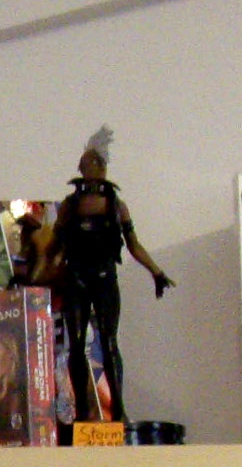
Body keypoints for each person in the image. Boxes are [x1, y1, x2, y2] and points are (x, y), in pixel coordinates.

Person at [45, 128, 174, 424]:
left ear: (102, 169)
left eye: (93, 165)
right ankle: (82, 412)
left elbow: (134, 245)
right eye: (84, 165)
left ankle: (118, 409)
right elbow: (56, 245)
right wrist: (42, 269)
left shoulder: (116, 207)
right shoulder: (70, 206)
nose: (88, 171)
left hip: (104, 278)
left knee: (109, 341)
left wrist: (156, 271)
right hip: (77, 278)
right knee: (76, 345)